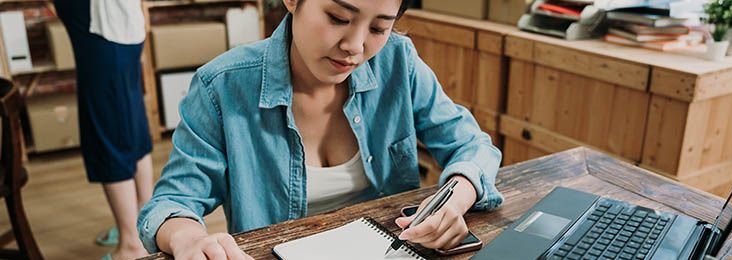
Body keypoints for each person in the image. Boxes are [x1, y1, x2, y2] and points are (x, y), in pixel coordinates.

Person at [137, 0, 504, 258]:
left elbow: (473, 146)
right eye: (338, 17)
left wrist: (455, 201)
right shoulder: (223, 86)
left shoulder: (398, 60)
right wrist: (187, 238)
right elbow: (174, 201)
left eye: (378, 27)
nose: (355, 47)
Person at [53, 0, 154, 259]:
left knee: (107, 130)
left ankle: (131, 245)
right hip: (120, 25)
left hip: (105, 29)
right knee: (129, 118)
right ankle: (142, 223)